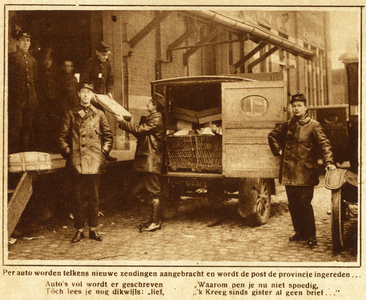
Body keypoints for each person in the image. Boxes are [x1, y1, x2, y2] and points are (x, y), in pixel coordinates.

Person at [268, 93, 336, 246]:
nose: (296, 108)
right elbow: (272, 136)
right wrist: (278, 151)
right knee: (293, 204)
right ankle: (299, 232)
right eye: (294, 106)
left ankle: (311, 235)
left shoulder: (314, 125)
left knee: (304, 203)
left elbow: (324, 145)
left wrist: (329, 162)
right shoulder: (288, 125)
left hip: (305, 172)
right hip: (290, 172)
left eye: (299, 106)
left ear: (305, 108)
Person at [58, 81, 114, 243]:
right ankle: (79, 230)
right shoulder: (71, 113)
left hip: (94, 162)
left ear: (92, 96)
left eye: (88, 92)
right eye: (82, 92)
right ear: (78, 94)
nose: (85, 95)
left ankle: (94, 229)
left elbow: (108, 136)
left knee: (94, 198)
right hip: (78, 163)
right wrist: (69, 153)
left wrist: (103, 153)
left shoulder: (99, 114)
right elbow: (62, 137)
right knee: (78, 198)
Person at [114, 96, 165, 232]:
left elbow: (139, 130)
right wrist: (127, 123)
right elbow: (141, 133)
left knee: (154, 192)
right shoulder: (153, 118)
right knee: (151, 192)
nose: (147, 104)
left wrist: (123, 122)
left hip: (151, 160)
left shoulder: (156, 118)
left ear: (154, 105)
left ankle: (155, 222)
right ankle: (153, 220)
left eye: (149, 102)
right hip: (149, 159)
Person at [80, 41, 117, 162]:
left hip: (102, 101)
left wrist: (109, 92)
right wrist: (92, 95)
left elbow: (110, 80)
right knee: (89, 126)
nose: (105, 57)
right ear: (97, 53)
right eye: (103, 54)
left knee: (102, 127)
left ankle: (104, 153)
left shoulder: (107, 64)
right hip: (90, 100)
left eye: (106, 54)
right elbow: (84, 82)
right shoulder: (89, 64)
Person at [8, 30, 38, 154]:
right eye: (23, 40)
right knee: (16, 127)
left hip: (30, 99)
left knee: (27, 128)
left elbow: (34, 80)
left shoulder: (32, 60)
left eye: (28, 40)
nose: (26, 43)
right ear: (17, 42)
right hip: (17, 100)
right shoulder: (12, 58)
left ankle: (23, 155)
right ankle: (13, 155)